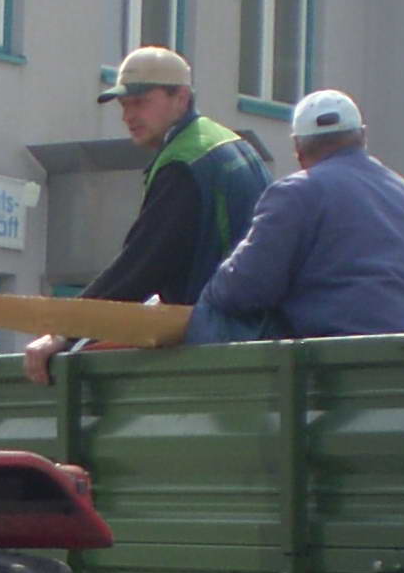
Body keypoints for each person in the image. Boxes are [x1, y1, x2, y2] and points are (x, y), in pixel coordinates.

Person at [185, 89, 404, 450]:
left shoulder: (297, 192)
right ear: (362, 137)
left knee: (216, 314)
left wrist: (207, 295)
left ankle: (228, 442)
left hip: (371, 366)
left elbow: (246, 287)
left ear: (298, 149)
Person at [19, 45, 271, 381]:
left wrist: (66, 330)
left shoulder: (184, 162)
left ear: (181, 98)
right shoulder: (231, 145)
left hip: (217, 342)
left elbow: (142, 266)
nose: (128, 116)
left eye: (140, 102)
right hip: (257, 330)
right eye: (124, 105)